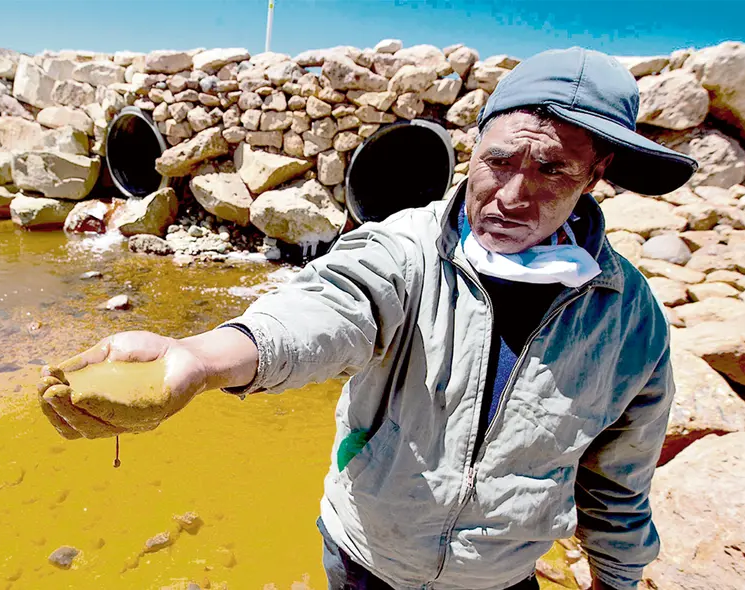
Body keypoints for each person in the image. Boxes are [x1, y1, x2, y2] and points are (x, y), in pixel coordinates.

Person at [38, 47, 699, 590]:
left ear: (597, 172)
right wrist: (207, 359)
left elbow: (618, 485)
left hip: (499, 579)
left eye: (551, 169)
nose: (512, 195)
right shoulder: (408, 248)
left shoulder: (629, 322)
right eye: (499, 160)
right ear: (475, 145)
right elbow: (329, 305)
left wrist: (616, 583)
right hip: (366, 564)